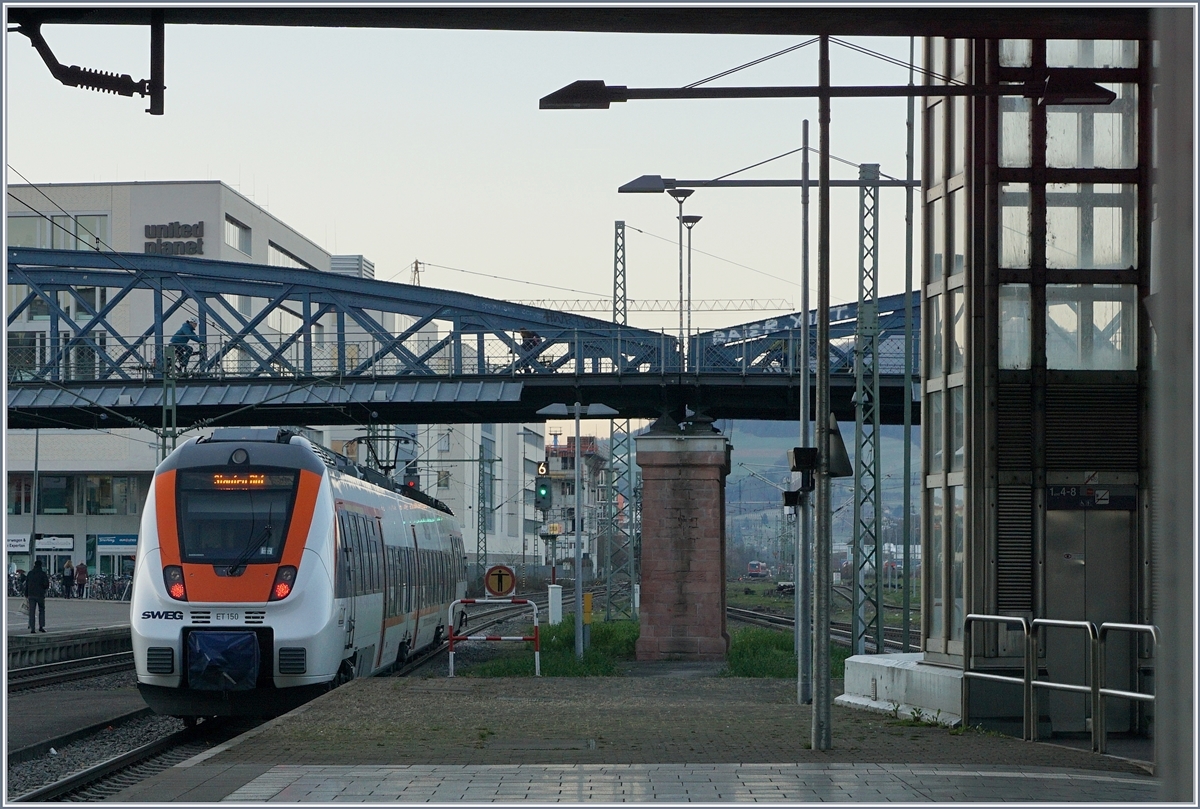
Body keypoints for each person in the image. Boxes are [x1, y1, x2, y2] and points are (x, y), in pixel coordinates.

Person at [25, 559, 49, 633]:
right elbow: (46, 585)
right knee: (41, 610)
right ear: (41, 565)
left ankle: (32, 628)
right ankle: (41, 626)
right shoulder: (43, 574)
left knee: (32, 612)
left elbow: (27, 584)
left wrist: (26, 594)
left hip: (31, 594)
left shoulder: (30, 573)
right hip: (40, 595)